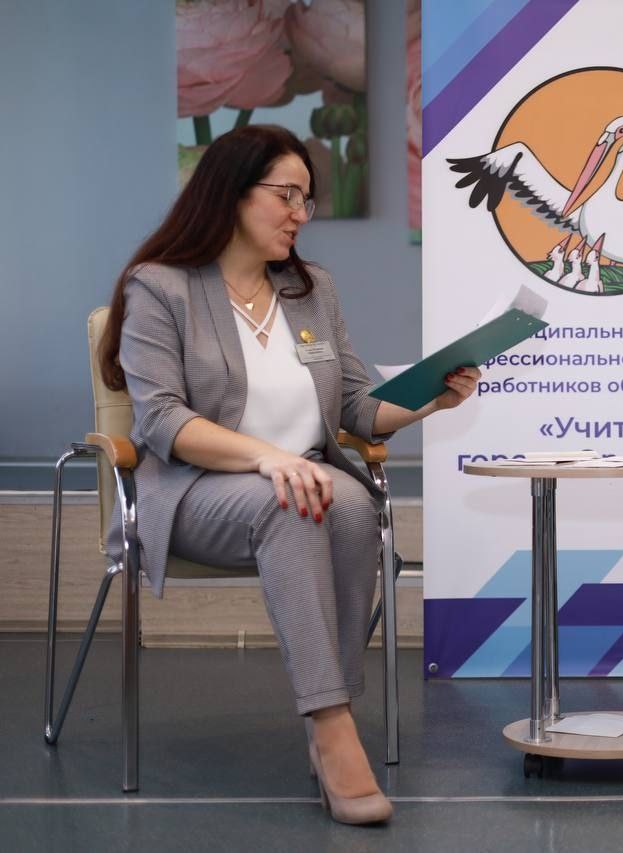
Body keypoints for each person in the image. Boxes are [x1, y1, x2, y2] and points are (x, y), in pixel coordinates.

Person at [99, 125, 480, 824]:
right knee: (293, 499)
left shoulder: (311, 289)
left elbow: (357, 406)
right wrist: (267, 456)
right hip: (196, 489)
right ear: (231, 192)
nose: (301, 213)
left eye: (307, 198)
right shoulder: (160, 287)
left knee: (352, 505)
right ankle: (332, 729)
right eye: (287, 195)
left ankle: (331, 709)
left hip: (302, 479)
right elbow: (162, 420)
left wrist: (433, 397)